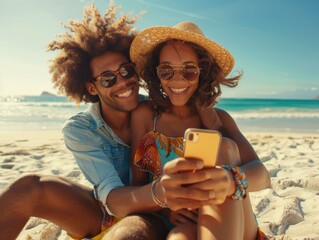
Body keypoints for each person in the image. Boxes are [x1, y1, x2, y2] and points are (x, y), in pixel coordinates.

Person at [0, 3, 169, 240]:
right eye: (108, 79)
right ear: (92, 87)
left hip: (156, 215)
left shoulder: (159, 111)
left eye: (126, 71)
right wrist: (161, 193)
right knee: (26, 187)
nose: (122, 82)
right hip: (109, 209)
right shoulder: (80, 129)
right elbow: (110, 197)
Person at [129, 22, 271, 239]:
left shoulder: (220, 119)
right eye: (167, 70)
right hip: (178, 222)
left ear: (202, 72)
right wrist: (167, 208)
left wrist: (229, 180)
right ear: (156, 73)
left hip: (234, 222)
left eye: (189, 70)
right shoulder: (146, 117)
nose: (177, 79)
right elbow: (137, 185)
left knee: (223, 146)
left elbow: (262, 175)